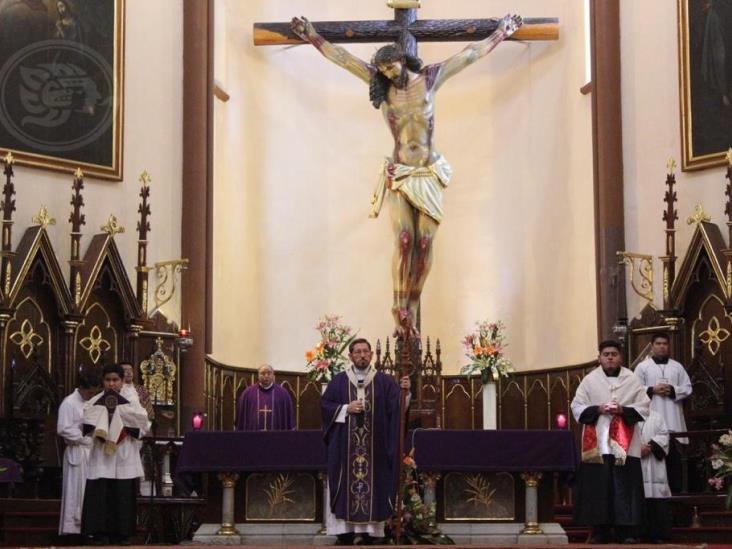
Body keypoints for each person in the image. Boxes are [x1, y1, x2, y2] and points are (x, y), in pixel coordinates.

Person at [290, 14, 523, 337]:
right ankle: (399, 307)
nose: (387, 74)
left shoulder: (430, 78)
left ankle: (412, 303)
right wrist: (313, 36)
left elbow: (469, 54)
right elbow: (343, 58)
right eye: (383, 70)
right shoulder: (381, 86)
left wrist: (501, 33)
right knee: (404, 240)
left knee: (425, 243)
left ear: (402, 59)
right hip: (400, 172)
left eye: (390, 67)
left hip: (429, 172)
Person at [321, 338, 410, 545]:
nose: (362, 355)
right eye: (358, 352)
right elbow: (325, 406)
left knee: (376, 485)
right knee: (345, 488)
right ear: (350, 355)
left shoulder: (384, 381)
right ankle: (346, 532)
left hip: (375, 449)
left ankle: (372, 531)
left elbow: (397, 410)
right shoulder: (339, 381)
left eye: (365, 351)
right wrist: (345, 408)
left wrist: (405, 393)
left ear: (371, 355)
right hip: (345, 449)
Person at [571, 340, 651, 544]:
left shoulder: (631, 379)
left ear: (620, 357)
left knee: (625, 486)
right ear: (599, 357)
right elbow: (577, 407)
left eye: (614, 354)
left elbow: (644, 407)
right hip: (598, 443)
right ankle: (600, 531)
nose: (610, 357)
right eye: (606, 354)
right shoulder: (590, 380)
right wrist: (598, 409)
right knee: (599, 486)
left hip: (625, 445)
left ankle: (627, 532)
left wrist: (622, 410)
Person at [81, 363, 151, 545]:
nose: (111, 384)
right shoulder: (95, 401)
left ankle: (123, 533)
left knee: (122, 494)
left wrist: (123, 420)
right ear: (103, 381)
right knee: (101, 493)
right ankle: (99, 532)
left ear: (121, 381)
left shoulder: (132, 401)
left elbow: (143, 422)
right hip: (103, 453)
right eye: (108, 380)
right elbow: (86, 422)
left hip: (123, 452)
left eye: (115, 380)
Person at [634, 332, 692, 493]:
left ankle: (677, 493)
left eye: (665, 344)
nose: (662, 346)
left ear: (669, 346)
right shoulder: (643, 367)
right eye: (658, 344)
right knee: (655, 463)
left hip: (674, 420)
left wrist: (673, 390)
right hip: (652, 421)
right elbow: (634, 389)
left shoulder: (677, 366)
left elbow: (687, 388)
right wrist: (652, 389)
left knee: (675, 463)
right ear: (652, 346)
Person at [57, 371, 101, 538]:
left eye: (94, 392)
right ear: (81, 388)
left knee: (88, 491)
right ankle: (73, 529)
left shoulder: (92, 402)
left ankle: (88, 527)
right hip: (78, 450)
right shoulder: (69, 403)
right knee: (75, 491)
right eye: (89, 392)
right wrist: (83, 438)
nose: (92, 395)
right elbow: (63, 429)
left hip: (91, 451)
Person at [639, 411, 673, 543]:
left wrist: (650, 447)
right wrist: (636, 448)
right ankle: (638, 533)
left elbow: (664, 435)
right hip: (636, 462)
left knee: (656, 497)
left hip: (654, 464)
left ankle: (658, 534)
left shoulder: (657, 417)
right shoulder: (628, 416)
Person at [235, 364, 295, 431]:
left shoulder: (283, 394)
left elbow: (288, 418)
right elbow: (241, 418)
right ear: (258, 375)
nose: (266, 376)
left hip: (276, 437)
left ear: (273, 375)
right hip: (253, 436)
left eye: (269, 373)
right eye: (263, 373)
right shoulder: (247, 394)